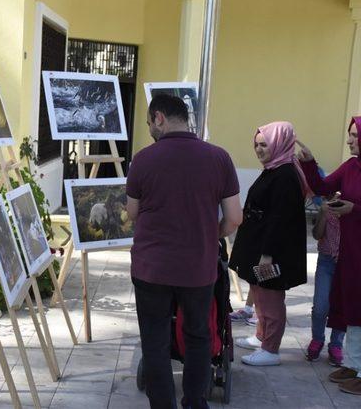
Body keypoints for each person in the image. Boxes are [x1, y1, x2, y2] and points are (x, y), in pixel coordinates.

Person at [126, 94, 242, 409]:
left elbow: (134, 213)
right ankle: (194, 402)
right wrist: (209, 234)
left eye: (150, 122)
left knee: (154, 342)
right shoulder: (219, 158)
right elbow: (233, 218)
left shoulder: (143, 159)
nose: (150, 128)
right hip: (198, 268)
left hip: (151, 269)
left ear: (159, 117)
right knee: (198, 337)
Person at [229, 121, 308, 367]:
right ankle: (261, 337)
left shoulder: (285, 175)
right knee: (261, 295)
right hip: (259, 244)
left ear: (279, 144)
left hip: (271, 250)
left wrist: (268, 254)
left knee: (271, 298)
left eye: (265, 144)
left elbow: (280, 219)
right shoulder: (275, 169)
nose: (259, 149)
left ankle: (271, 349)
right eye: (257, 144)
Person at [297, 116, 361, 395]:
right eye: (350, 135)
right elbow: (323, 188)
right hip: (349, 252)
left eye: (355, 135)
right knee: (350, 309)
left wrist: (355, 209)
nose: (349, 140)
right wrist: (310, 163)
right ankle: (353, 363)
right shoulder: (351, 166)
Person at [306, 187, 344, 365]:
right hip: (326, 261)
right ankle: (317, 339)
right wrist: (323, 213)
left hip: (347, 263)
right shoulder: (327, 208)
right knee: (321, 305)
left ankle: (336, 344)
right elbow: (316, 235)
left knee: (341, 305)